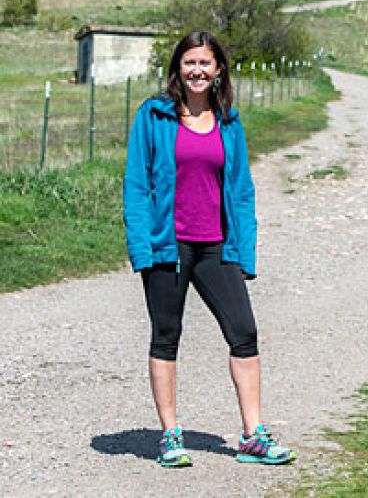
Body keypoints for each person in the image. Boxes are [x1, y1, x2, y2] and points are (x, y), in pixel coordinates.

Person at [124, 30, 296, 468]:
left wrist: (245, 253)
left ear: (218, 69)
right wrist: (142, 248)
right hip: (168, 244)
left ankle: (254, 436)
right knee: (167, 336)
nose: (197, 71)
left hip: (216, 245)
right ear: (177, 69)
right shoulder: (154, 116)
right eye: (189, 63)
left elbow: (241, 191)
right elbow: (136, 186)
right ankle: (169, 436)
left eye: (205, 63)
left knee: (244, 332)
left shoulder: (229, 122)